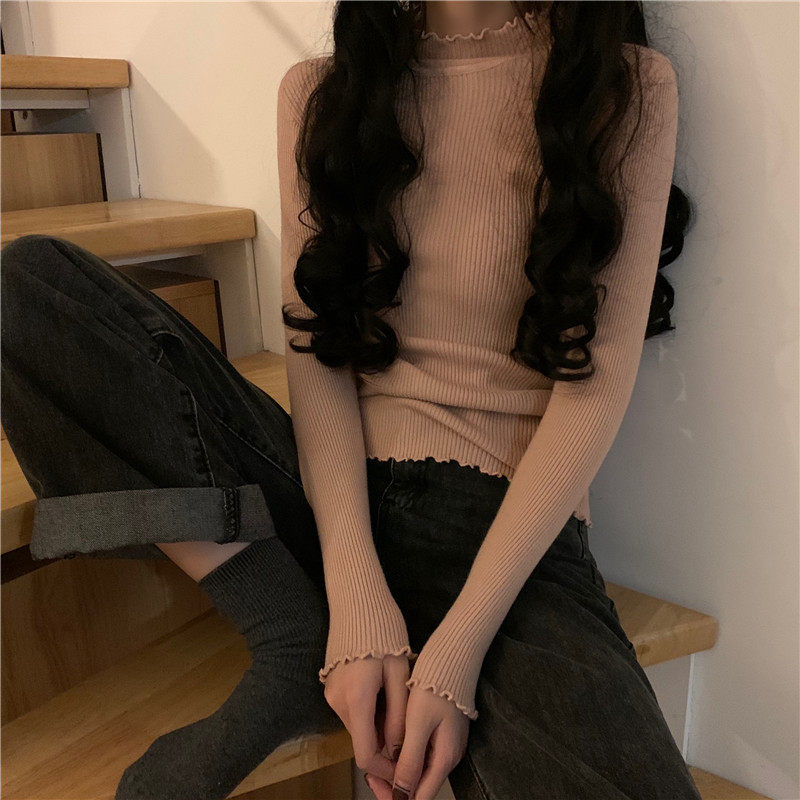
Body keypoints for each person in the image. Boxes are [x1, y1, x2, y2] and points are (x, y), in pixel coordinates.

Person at [0, 1, 700, 799]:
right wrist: (357, 593)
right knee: (31, 288)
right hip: (328, 493)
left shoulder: (624, 84)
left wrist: (457, 651)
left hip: (504, 524)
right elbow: (319, 354)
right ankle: (290, 631)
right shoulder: (322, 91)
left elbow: (592, 389)